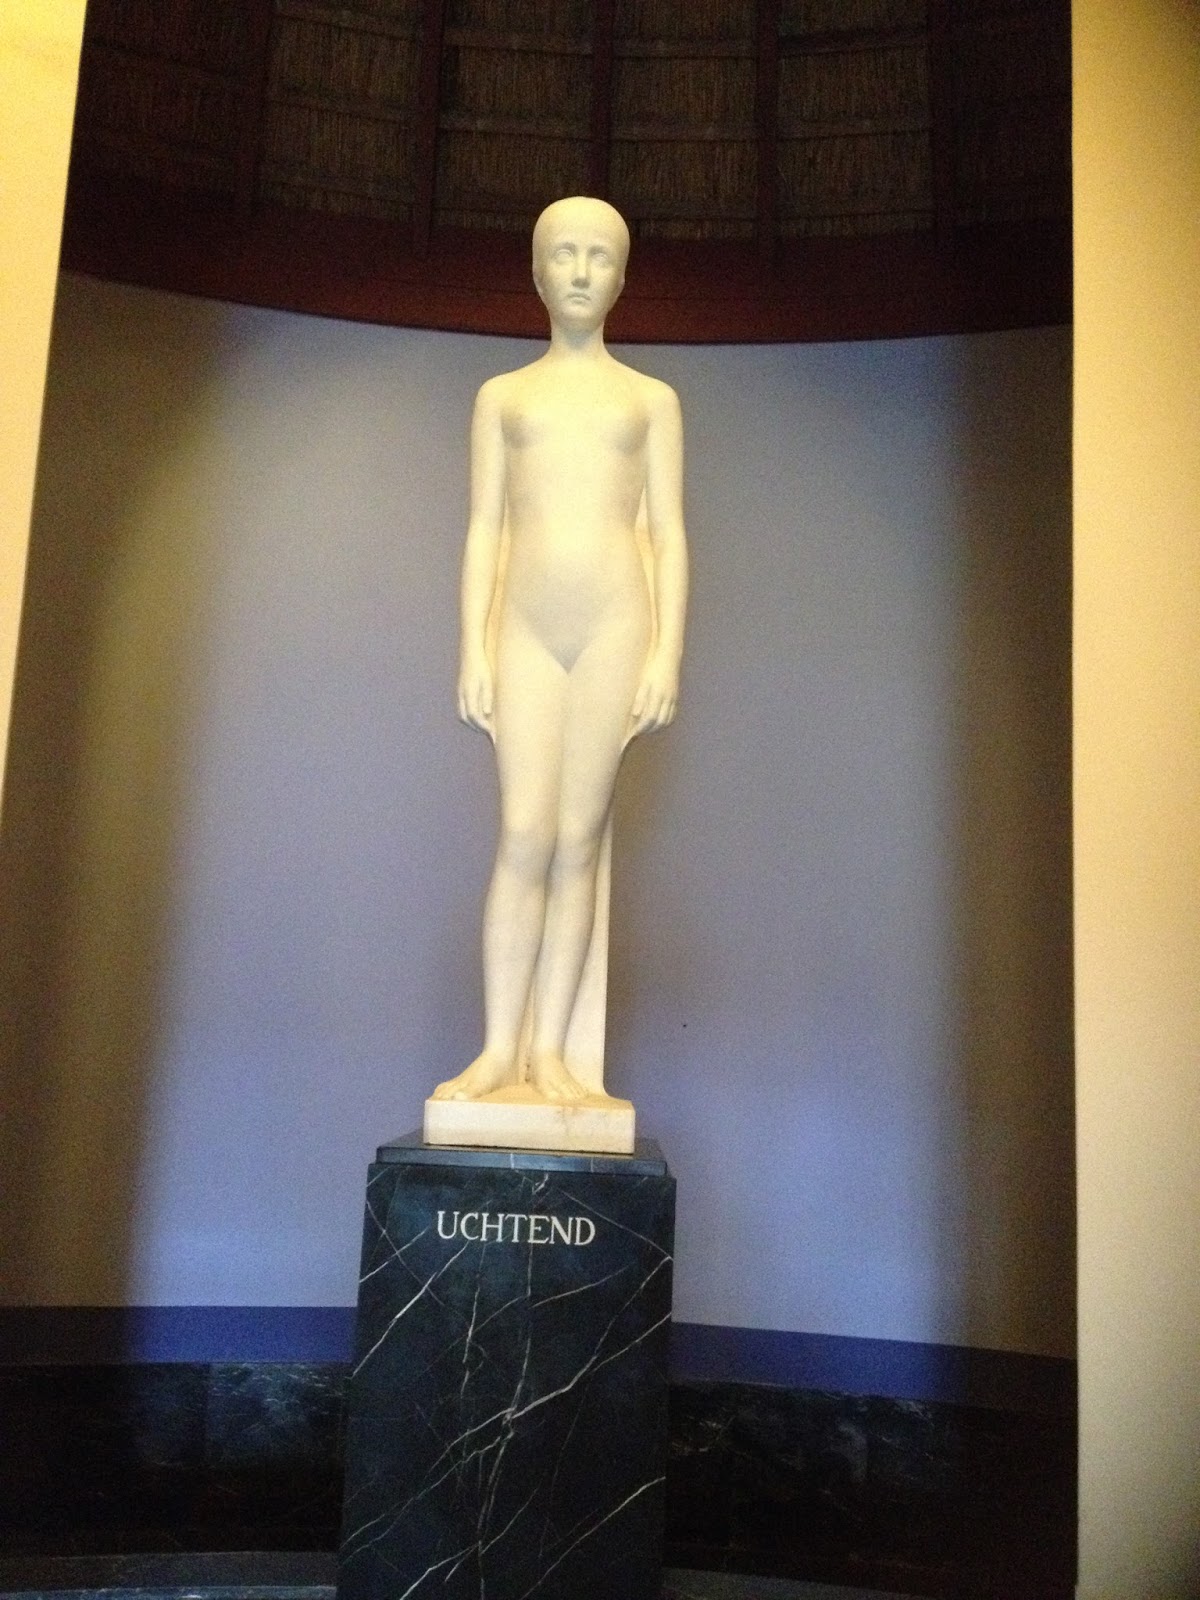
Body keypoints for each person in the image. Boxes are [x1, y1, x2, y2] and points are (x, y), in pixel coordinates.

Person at [432, 196, 687, 1107]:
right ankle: (499, 1049)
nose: (581, 272)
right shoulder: (504, 396)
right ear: (536, 273)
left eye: (600, 256)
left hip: (615, 626)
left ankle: (551, 1052)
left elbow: (666, 532)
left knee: (580, 840)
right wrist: (471, 646)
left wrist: (666, 653)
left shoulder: (650, 400)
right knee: (524, 834)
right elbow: (486, 528)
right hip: (527, 630)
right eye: (564, 254)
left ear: (623, 277)